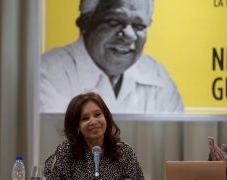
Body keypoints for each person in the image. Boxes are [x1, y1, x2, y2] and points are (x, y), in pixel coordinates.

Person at [40, 0, 183, 113]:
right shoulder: (46, 73)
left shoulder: (158, 76)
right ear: (86, 23)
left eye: (139, 26)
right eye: (114, 22)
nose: (130, 36)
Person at [44, 92, 145, 179]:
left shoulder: (124, 152)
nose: (93, 122)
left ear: (105, 117)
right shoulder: (66, 151)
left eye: (97, 114)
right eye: (85, 118)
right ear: (77, 126)